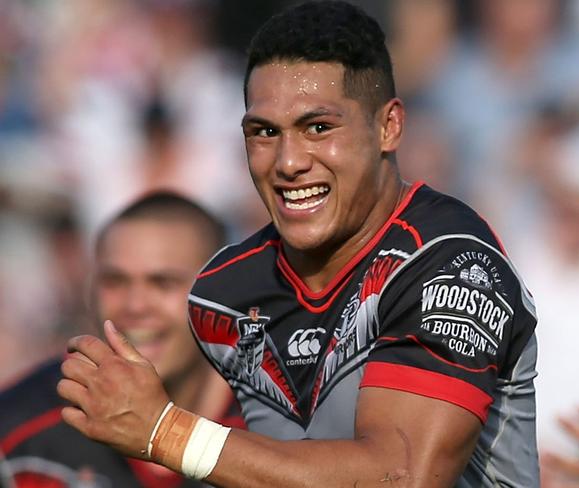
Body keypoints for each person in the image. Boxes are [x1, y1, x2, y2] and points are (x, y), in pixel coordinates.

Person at [58, 2, 539, 486]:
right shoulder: (223, 293)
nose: (288, 162)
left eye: (318, 128)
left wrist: (167, 433)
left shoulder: (451, 263)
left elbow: (403, 475)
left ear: (388, 127)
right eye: (265, 132)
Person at [0, 192, 244, 487]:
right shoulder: (20, 429)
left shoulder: (281, 428)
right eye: (115, 281)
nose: (135, 305)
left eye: (162, 283)